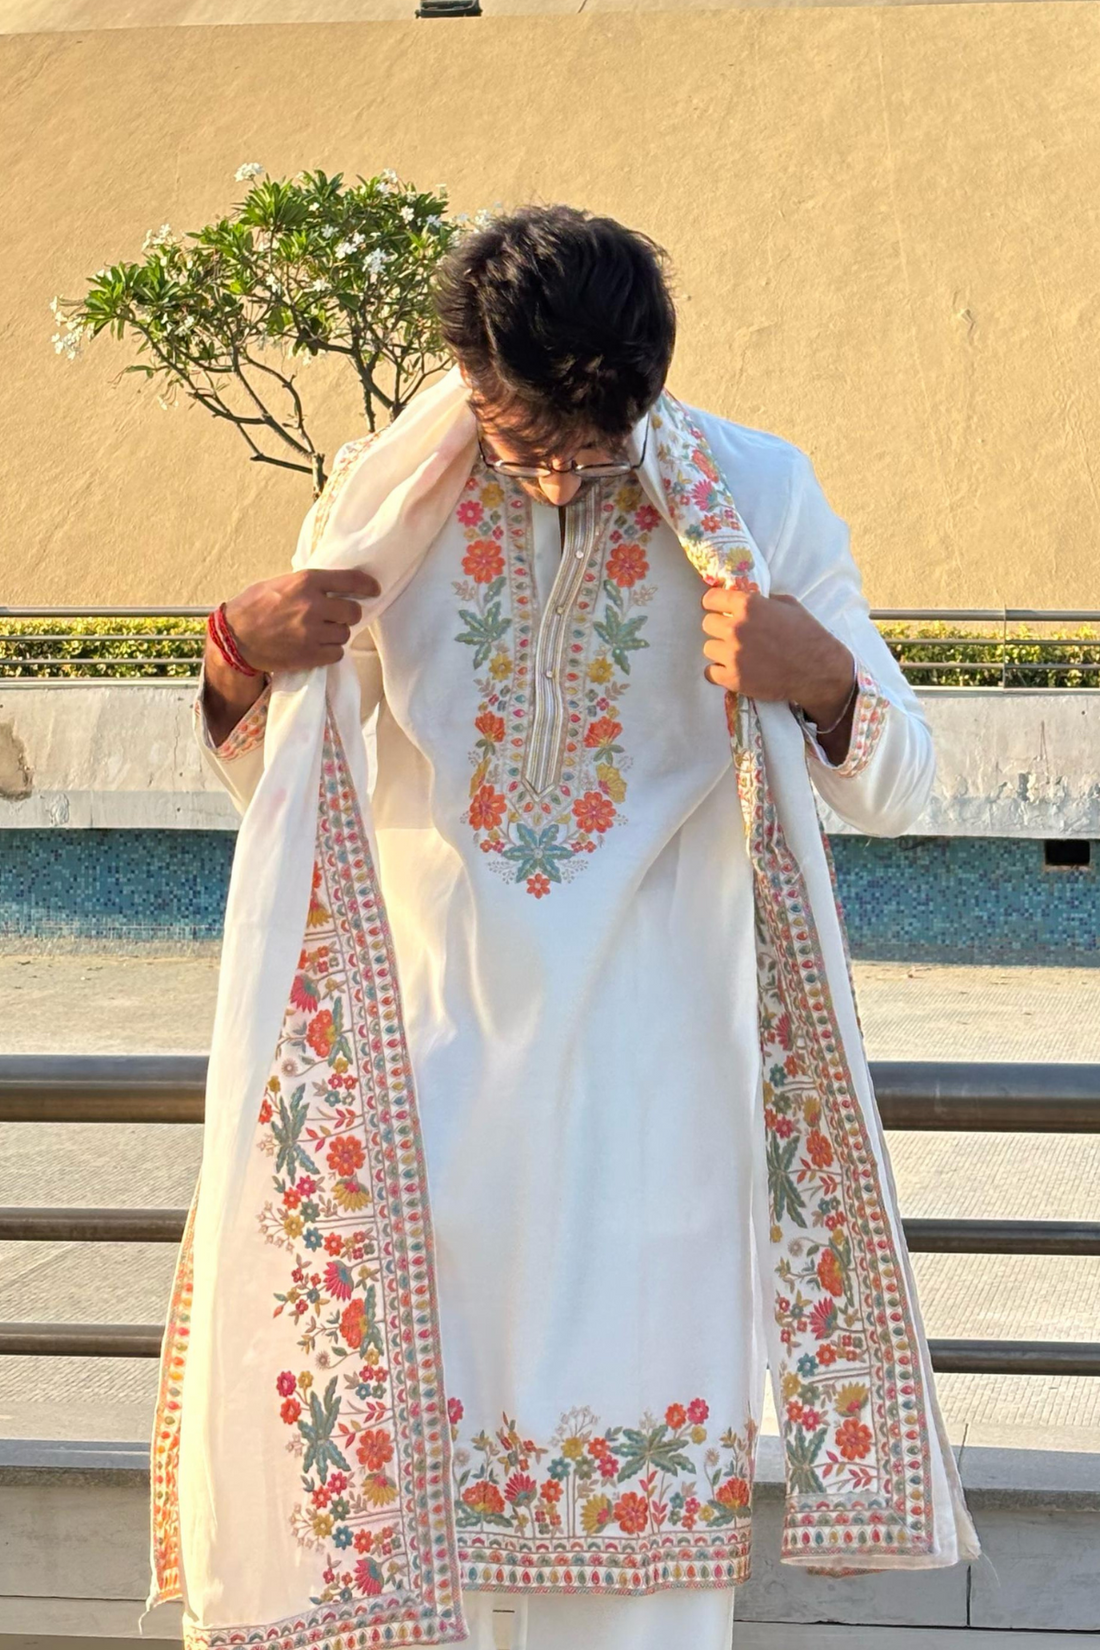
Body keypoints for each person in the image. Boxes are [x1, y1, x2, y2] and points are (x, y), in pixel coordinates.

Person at [181, 205, 974, 1650]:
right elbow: (290, 784)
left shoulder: (760, 494)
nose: (557, 470)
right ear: (469, 379)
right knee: (418, 1525)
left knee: (638, 1575)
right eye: (522, 434)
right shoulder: (382, 505)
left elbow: (907, 780)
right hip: (431, 1100)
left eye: (597, 446)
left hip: (653, 1103)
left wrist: (820, 680)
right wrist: (239, 653)